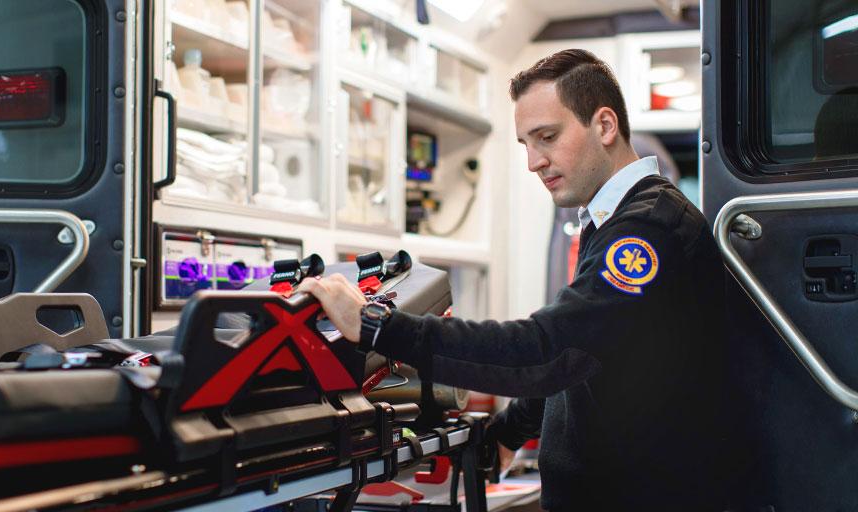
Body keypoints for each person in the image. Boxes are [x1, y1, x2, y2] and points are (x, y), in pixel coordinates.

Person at [299, 49, 729, 511]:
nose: (533, 162)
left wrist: (377, 326)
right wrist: (509, 430)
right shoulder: (613, 220)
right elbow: (586, 356)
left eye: (547, 137)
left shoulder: (649, 229)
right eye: (526, 143)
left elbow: (548, 350)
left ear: (605, 126)